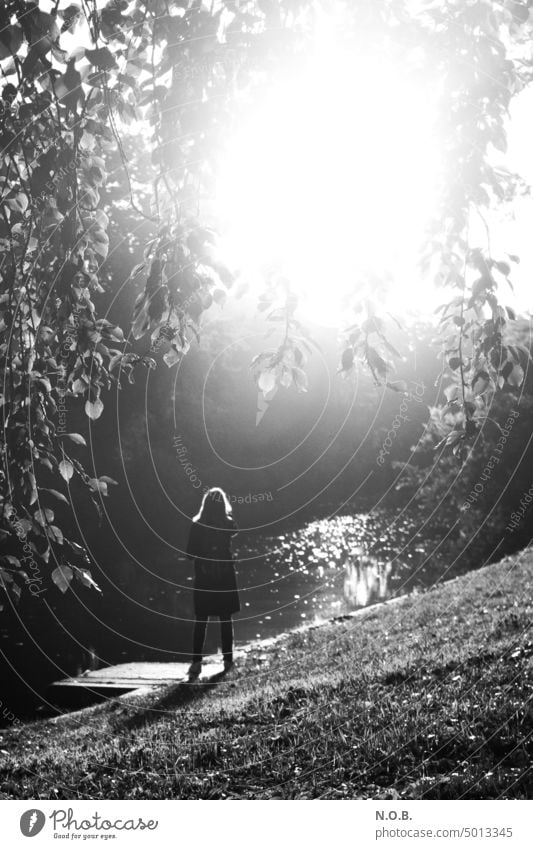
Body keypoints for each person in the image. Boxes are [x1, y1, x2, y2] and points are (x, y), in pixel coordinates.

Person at [186, 487, 240, 680]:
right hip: (225, 577)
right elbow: (234, 532)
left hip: (204, 577)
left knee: (201, 619)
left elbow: (189, 554)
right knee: (226, 618)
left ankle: (196, 663)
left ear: (205, 504)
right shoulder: (228, 525)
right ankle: (227, 660)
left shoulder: (197, 525)